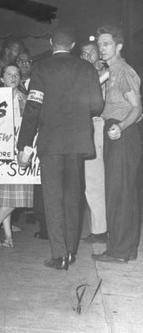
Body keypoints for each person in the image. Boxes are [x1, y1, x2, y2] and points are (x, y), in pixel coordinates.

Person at [17, 24, 103, 271]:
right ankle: (71, 251)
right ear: (74, 45)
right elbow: (97, 106)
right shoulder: (86, 68)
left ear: (51, 43)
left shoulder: (41, 68)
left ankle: (59, 255)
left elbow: (33, 108)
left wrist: (24, 143)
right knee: (72, 198)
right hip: (77, 143)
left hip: (51, 143)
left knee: (52, 198)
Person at [92, 25, 142, 263]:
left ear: (119, 46)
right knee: (119, 193)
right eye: (100, 44)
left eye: (107, 43)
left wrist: (120, 127)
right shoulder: (111, 72)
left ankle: (119, 252)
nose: (102, 48)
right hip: (115, 131)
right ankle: (123, 250)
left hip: (122, 133)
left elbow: (137, 108)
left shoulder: (122, 71)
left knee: (120, 193)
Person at [0, 64, 33, 247]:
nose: (13, 77)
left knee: (17, 194)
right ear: (1, 78)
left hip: (20, 150)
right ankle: (7, 233)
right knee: (8, 194)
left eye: (16, 74)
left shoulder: (26, 99)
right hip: (0, 150)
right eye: (9, 74)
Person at [79, 40, 108, 244]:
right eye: (84, 53)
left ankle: (100, 230)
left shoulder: (104, 73)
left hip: (98, 127)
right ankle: (99, 227)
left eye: (92, 52)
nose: (88, 56)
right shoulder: (82, 74)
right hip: (84, 129)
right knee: (90, 182)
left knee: (94, 180)